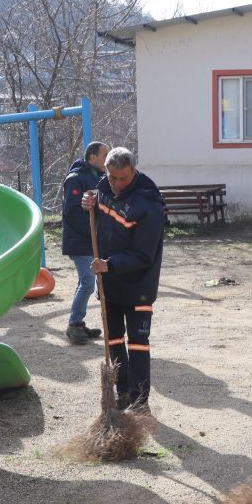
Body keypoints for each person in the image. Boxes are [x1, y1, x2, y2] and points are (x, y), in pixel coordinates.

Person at [80, 147, 165, 410]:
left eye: (123, 178)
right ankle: (123, 392)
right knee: (114, 340)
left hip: (138, 285)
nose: (116, 184)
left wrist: (110, 264)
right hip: (110, 284)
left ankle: (140, 401)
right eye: (112, 176)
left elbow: (143, 255)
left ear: (134, 171)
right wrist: (89, 206)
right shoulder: (104, 187)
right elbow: (103, 224)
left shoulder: (148, 204)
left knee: (138, 344)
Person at [61, 141, 110, 344]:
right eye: (104, 154)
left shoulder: (99, 179)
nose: (107, 159)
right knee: (89, 282)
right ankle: (74, 324)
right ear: (92, 158)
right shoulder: (76, 179)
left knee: (87, 282)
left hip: (92, 240)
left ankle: (78, 323)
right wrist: (94, 233)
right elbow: (71, 212)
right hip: (80, 241)